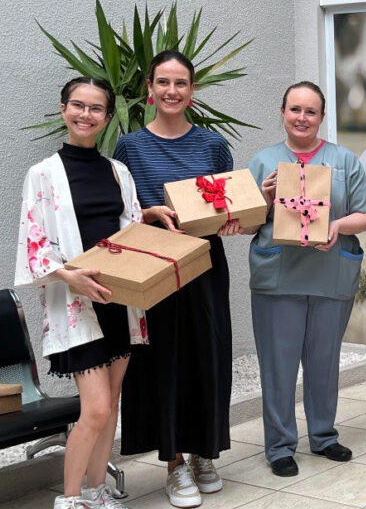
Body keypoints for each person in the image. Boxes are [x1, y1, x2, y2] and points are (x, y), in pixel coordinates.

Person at [114, 50, 239, 508]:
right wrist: (147, 212)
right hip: (154, 266)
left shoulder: (212, 145)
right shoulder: (130, 147)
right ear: (150, 88)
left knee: (208, 356)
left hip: (205, 264)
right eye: (163, 82)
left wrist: (231, 220)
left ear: (193, 90)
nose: (172, 91)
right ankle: (174, 463)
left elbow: (231, 206)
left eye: (181, 83)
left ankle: (206, 453)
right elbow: (120, 214)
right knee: (164, 361)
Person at [16, 77, 146, 509]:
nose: (85, 115)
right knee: (93, 409)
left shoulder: (118, 171)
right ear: (63, 109)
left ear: (108, 117)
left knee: (111, 405)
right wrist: (72, 276)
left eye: (95, 109)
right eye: (77, 105)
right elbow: (34, 245)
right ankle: (70, 501)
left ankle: (96, 491)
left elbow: (132, 228)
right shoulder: (42, 174)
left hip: (118, 300)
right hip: (75, 304)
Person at [245, 82, 366, 478]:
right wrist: (265, 199)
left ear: (322, 117)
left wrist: (335, 224)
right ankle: (280, 445)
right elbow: (245, 223)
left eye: (311, 111)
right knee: (278, 366)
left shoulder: (344, 160)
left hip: (330, 272)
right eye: (295, 110)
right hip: (278, 276)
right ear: (282, 113)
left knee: (324, 361)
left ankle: (323, 435)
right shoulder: (264, 161)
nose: (302, 118)